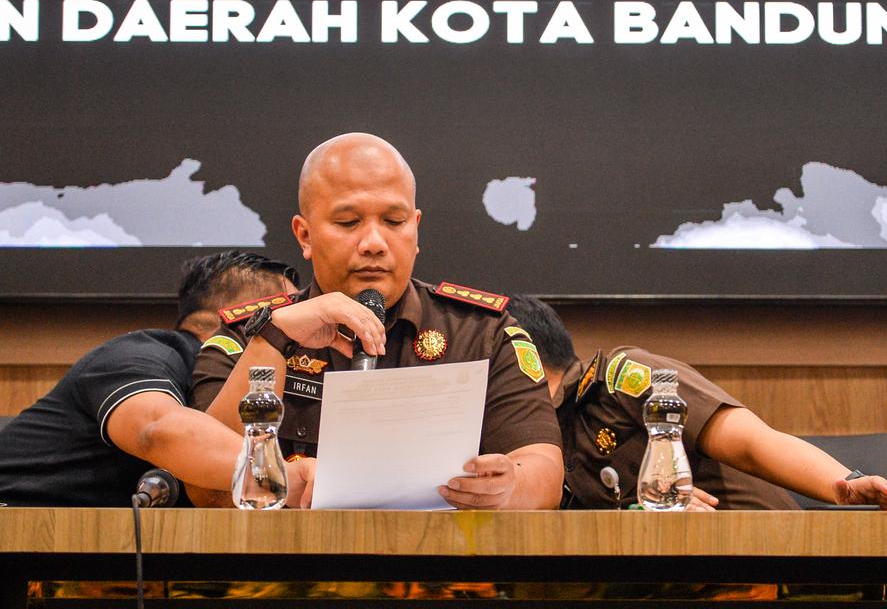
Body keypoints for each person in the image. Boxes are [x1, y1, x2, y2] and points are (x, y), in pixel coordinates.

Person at [191, 133, 563, 510]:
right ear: (305, 235)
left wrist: (509, 487)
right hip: (292, 547)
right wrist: (272, 339)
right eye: (349, 222)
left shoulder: (480, 333)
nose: (374, 242)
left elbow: (543, 470)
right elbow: (204, 489)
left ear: (415, 228)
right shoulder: (248, 336)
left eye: (394, 221)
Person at [504, 294, 887, 511]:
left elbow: (751, 442)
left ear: (522, 357)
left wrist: (846, 485)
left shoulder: (624, 377)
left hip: (762, 566)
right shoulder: (526, 440)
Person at [0, 251, 317, 507]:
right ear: (242, 318)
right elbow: (157, 431)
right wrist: (281, 477)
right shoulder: (141, 355)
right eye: (280, 319)